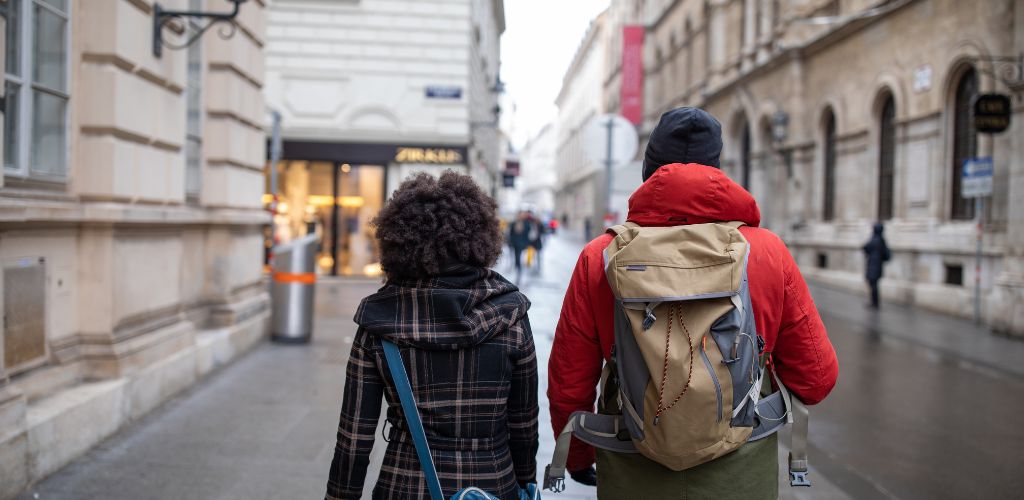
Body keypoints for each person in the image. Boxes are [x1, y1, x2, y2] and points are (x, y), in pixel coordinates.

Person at [547, 107, 839, 498]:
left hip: (632, 462)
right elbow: (816, 379)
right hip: (740, 471)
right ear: (717, 171)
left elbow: (569, 383)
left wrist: (579, 456)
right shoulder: (767, 252)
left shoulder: (600, 257)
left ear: (649, 171)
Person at [325, 171, 539, 500]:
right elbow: (524, 424)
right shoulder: (510, 314)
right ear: (479, 238)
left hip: (404, 484)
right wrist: (526, 480)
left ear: (399, 240)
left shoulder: (380, 319)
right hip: (492, 485)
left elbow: (354, 437)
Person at [863, 222, 891, 309]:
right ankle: (875, 302)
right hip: (877, 266)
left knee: (873, 284)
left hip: (873, 265)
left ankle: (874, 303)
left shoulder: (875, 239)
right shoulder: (882, 240)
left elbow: (866, 247)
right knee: (874, 284)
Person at [508, 211, 532, 280]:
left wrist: (526, 243)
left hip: (521, 243)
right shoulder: (514, 223)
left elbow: (528, 233)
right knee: (516, 256)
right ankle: (517, 266)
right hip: (515, 243)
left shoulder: (526, 223)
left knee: (518, 256)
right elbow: (511, 233)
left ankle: (519, 268)